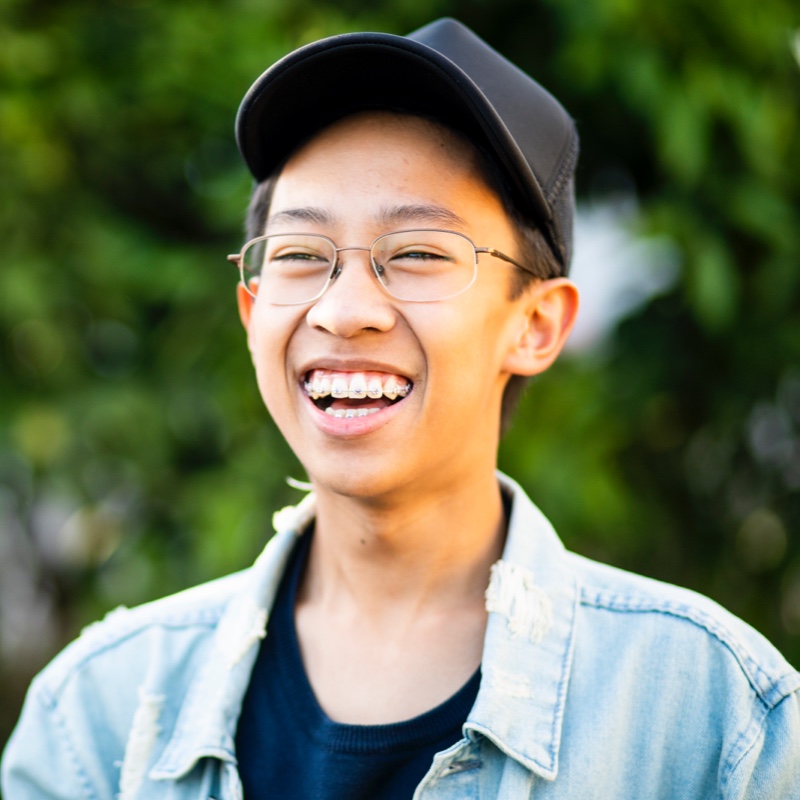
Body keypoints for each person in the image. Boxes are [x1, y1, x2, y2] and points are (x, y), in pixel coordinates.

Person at [2, 17, 799, 800]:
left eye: (417, 252)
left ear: (535, 324)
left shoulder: (713, 721)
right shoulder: (97, 724)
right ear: (253, 314)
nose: (345, 311)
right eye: (302, 256)